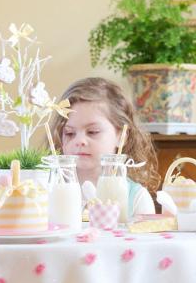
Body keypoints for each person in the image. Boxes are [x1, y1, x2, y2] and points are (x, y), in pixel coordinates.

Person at [49, 77, 159, 215]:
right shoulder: (47, 192)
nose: (80, 140)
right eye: (70, 133)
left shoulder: (137, 199)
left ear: (122, 136)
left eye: (92, 132)